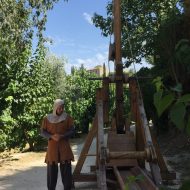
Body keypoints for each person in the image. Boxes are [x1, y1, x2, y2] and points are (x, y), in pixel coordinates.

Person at [41, 99, 75, 190]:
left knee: (66, 172)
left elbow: (72, 130)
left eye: (62, 108)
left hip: (64, 148)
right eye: (59, 108)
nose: (61, 110)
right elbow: (43, 132)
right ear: (55, 107)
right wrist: (51, 136)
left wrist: (62, 136)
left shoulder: (67, 118)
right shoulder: (47, 118)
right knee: (52, 173)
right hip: (52, 149)